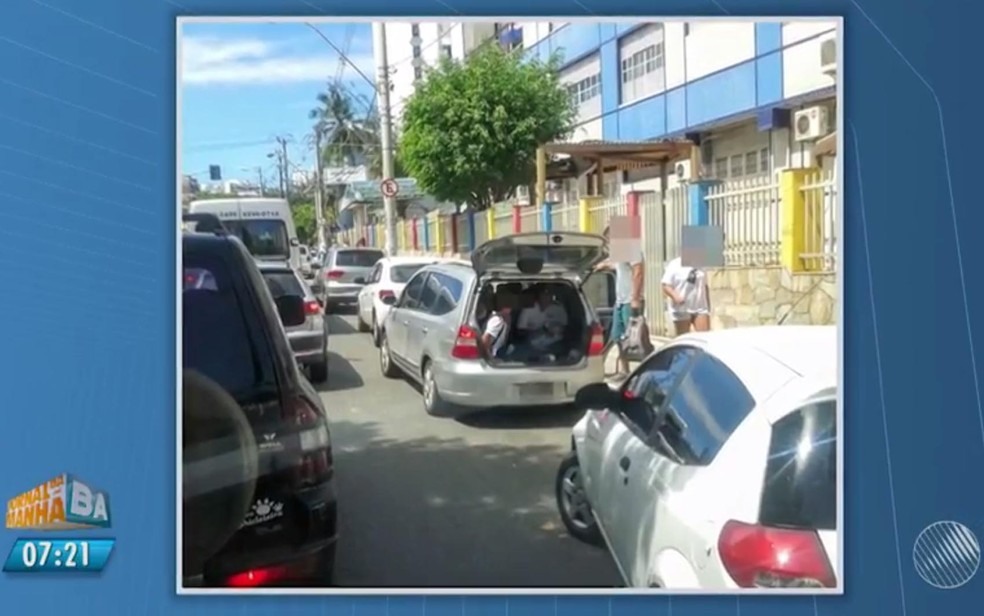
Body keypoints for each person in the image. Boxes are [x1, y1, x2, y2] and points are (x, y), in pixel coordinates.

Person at [597, 226, 645, 377]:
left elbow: (638, 272)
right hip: (620, 301)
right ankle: (625, 370)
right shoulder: (621, 253)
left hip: (630, 301)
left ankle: (644, 369)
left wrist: (635, 298)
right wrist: (601, 265)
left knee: (635, 338)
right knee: (618, 337)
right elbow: (617, 266)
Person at [661, 256, 710, 335]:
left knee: (705, 337)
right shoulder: (675, 264)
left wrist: (708, 305)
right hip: (681, 308)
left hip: (700, 307)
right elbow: (665, 285)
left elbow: (705, 285)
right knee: (684, 337)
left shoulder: (701, 265)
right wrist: (675, 296)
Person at [518, 285, 568, 356]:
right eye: (543, 295)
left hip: (555, 343)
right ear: (538, 297)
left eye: (549, 295)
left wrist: (556, 329)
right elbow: (520, 330)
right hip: (533, 344)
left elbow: (566, 328)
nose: (546, 298)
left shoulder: (558, 308)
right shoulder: (528, 309)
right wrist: (537, 331)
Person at [480, 288, 516, 360]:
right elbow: (485, 340)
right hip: (494, 356)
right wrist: (489, 358)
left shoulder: (504, 318)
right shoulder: (497, 321)